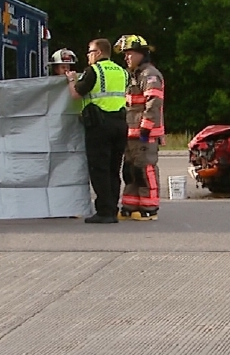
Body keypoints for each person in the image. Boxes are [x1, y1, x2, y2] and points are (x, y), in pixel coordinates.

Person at [66, 39, 128, 224]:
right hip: (120, 124)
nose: (88, 55)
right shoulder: (122, 71)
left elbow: (76, 93)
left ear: (99, 53)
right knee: (113, 170)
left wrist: (71, 80)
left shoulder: (94, 71)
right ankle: (112, 208)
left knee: (99, 169)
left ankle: (104, 211)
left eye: (90, 51)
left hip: (100, 125)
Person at [115, 34, 165, 221]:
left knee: (145, 170)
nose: (126, 57)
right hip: (131, 132)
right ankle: (130, 205)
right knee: (130, 171)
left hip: (145, 134)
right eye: (125, 54)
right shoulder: (133, 75)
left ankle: (149, 208)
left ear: (141, 54)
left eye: (129, 54)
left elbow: (154, 102)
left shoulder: (150, 75)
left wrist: (145, 128)